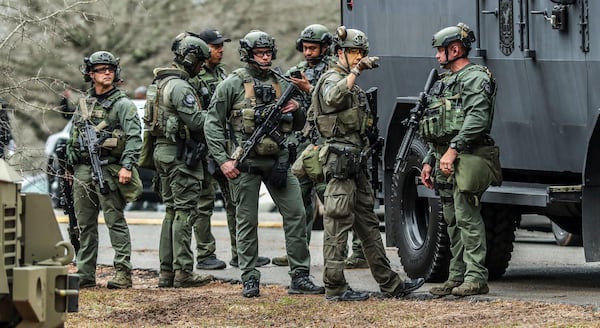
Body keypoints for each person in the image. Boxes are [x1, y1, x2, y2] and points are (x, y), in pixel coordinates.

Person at [204, 30, 324, 298]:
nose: (265, 57)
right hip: (244, 163)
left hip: (279, 162)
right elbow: (212, 123)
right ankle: (249, 278)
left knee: (297, 215)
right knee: (247, 222)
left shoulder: (283, 81)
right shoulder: (232, 84)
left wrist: (297, 109)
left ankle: (300, 277)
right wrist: (223, 160)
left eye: (268, 52)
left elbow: (304, 123)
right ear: (248, 55)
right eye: (260, 53)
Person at [311, 26, 425, 301]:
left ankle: (391, 285)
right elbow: (332, 98)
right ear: (340, 53)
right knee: (338, 223)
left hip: (356, 164)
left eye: (361, 53)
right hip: (340, 165)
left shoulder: (352, 83)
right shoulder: (331, 78)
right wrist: (356, 71)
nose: (358, 57)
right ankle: (335, 287)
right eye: (353, 52)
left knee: (369, 226)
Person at [271, 24, 367, 269]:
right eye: (305, 48)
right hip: (306, 146)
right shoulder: (296, 72)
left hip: (331, 146)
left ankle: (356, 251)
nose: (308, 52)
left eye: (313, 48)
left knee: (339, 202)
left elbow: (332, 101)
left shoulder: (334, 72)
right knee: (298, 199)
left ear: (326, 48)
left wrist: (306, 94)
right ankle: (297, 250)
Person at [423, 23, 499, 297]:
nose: (436, 56)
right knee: (452, 219)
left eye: (440, 51)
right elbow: (442, 125)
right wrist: (430, 159)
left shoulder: (476, 78)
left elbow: (476, 119)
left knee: (467, 217)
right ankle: (456, 276)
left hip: (469, 156)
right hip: (446, 158)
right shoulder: (444, 83)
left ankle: (476, 276)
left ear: (455, 49)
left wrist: (453, 150)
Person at [190, 28, 269, 270]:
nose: (220, 49)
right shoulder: (193, 77)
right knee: (203, 204)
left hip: (228, 150)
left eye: (221, 45)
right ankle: (205, 255)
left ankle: (241, 253)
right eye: (215, 46)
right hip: (202, 149)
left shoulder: (224, 75)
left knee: (235, 202)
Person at [66, 51, 143, 289]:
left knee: (115, 220)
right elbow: (73, 137)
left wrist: (127, 166)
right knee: (84, 224)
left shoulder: (123, 105)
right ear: (91, 74)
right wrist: (69, 168)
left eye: (110, 69)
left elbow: (134, 138)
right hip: (82, 171)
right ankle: (85, 272)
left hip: (109, 169)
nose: (107, 72)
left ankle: (123, 272)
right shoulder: (84, 104)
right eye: (101, 69)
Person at [146, 32, 217, 288]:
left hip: (163, 153)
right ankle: (184, 272)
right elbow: (196, 121)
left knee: (171, 212)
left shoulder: (159, 83)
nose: (201, 67)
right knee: (185, 213)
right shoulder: (180, 86)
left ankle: (167, 272)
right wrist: (217, 114)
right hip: (179, 156)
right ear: (190, 59)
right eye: (199, 62)